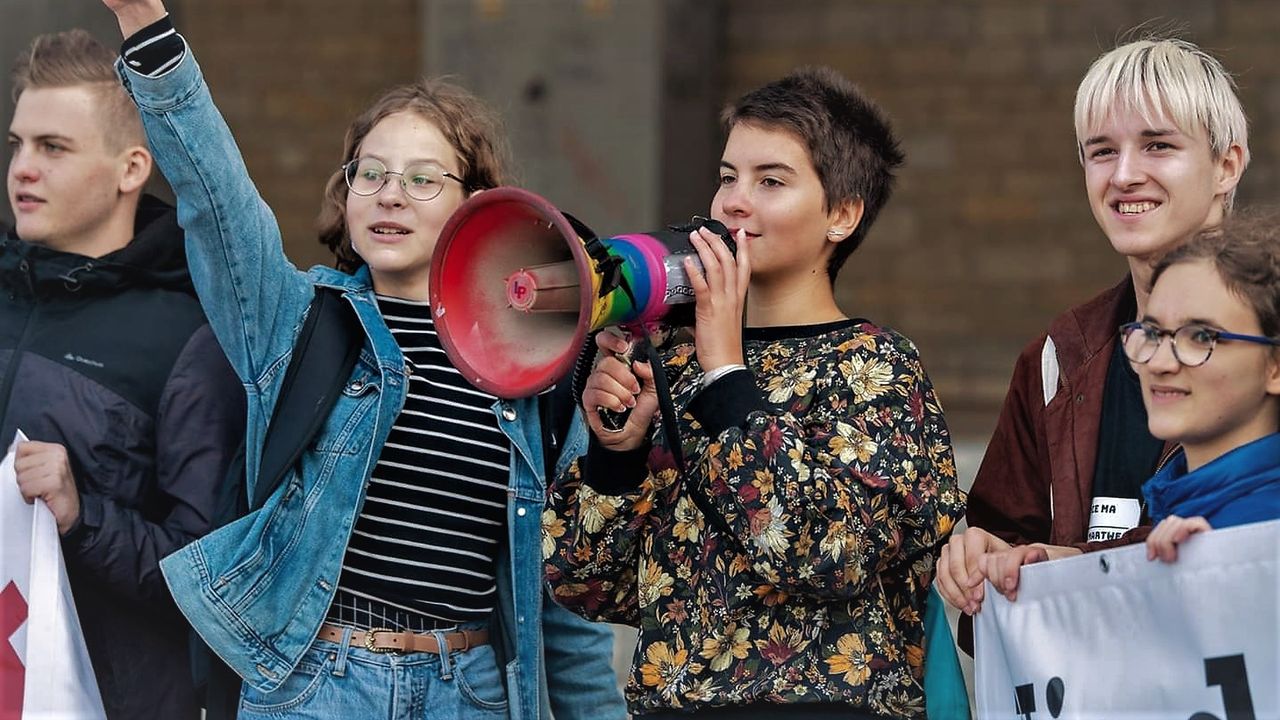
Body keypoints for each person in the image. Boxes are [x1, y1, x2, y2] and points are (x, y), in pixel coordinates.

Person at [101, 2, 625, 719]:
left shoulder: (534, 364)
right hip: (317, 685)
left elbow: (564, 596)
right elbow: (218, 201)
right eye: (370, 173)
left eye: (421, 179)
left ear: (477, 204)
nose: (388, 195)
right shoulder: (302, 322)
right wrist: (148, 29)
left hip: (467, 693)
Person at [544, 66, 967, 719]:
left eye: (771, 181)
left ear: (842, 215)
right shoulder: (675, 364)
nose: (734, 203)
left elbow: (831, 558)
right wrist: (616, 456)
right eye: (726, 177)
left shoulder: (878, 367)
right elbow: (587, 586)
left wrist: (727, 375)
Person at [936, 35, 1249, 618]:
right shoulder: (1057, 354)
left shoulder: (1269, 338)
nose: (1125, 174)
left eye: (1158, 145)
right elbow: (1005, 543)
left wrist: (1072, 566)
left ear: (1226, 165)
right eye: (1101, 151)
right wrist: (981, 558)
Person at [3, 29, 243, 719]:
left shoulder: (190, 336)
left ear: (130, 168)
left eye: (53, 148)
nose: (23, 168)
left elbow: (207, 575)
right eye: (18, 144)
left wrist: (84, 516)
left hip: (107, 699)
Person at [1135, 211, 1280, 563]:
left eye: (1201, 336)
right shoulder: (1178, 503)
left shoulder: (1263, 532)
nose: (1159, 362)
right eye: (1152, 333)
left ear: (1275, 367)